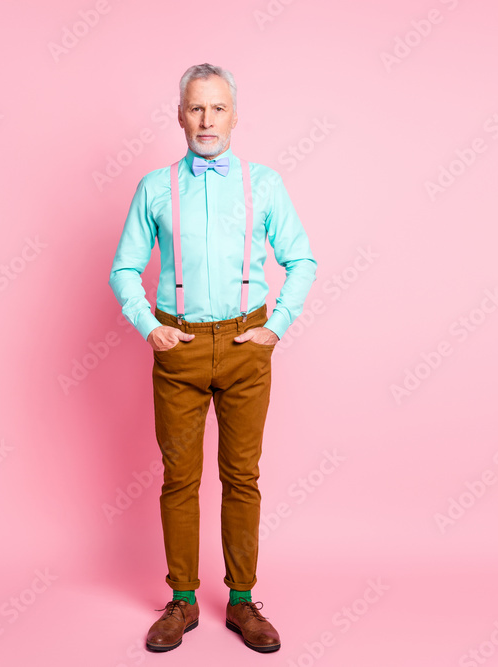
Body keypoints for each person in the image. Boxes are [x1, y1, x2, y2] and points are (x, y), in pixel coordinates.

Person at [108, 62, 317, 653]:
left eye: (217, 108)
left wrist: (277, 326)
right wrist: (148, 326)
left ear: (234, 114)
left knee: (241, 477)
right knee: (179, 479)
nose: (207, 119)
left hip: (249, 345)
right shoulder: (155, 187)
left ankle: (244, 602)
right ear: (179, 115)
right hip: (180, 346)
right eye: (196, 108)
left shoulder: (265, 184)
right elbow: (124, 267)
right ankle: (182, 600)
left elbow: (302, 260)